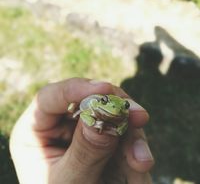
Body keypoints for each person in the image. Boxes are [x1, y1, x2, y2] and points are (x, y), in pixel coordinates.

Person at [10, 78, 154, 184]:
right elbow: (85, 113)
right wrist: (94, 121)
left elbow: (122, 128)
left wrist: (117, 129)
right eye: (104, 100)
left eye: (125, 105)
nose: (117, 108)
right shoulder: (94, 104)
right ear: (101, 101)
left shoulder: (122, 113)